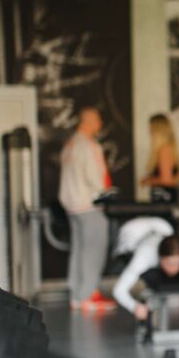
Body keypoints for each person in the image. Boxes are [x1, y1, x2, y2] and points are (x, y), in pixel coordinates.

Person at [59, 104, 115, 311]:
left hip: (72, 206)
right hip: (90, 205)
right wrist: (107, 193)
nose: (100, 124)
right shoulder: (90, 146)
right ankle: (90, 295)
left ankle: (77, 295)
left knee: (79, 251)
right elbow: (97, 179)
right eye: (98, 119)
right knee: (93, 252)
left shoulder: (69, 144)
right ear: (89, 121)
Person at [111, 217, 179, 320]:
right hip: (128, 235)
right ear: (160, 258)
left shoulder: (178, 246)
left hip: (159, 225)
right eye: (169, 264)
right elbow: (118, 291)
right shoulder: (143, 257)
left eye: (178, 263)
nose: (174, 269)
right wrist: (135, 307)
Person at [140, 114, 179, 204]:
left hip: (164, 201)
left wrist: (148, 180)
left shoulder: (164, 150)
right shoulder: (168, 148)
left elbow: (166, 180)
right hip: (166, 199)